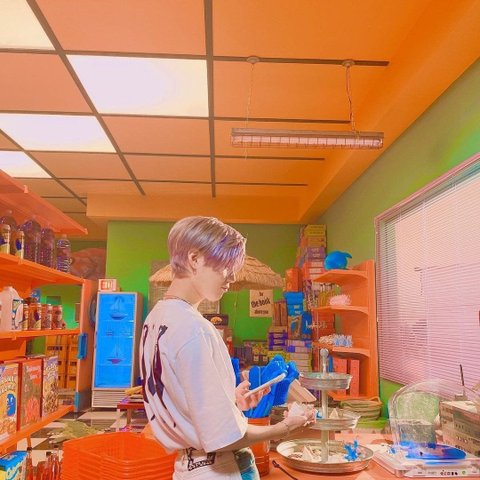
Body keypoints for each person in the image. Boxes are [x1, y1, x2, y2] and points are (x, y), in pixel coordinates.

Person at [140, 216, 313, 479]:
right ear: (195, 259)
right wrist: (287, 427)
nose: (232, 276)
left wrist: (230, 401)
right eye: (226, 266)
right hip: (218, 469)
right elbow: (223, 439)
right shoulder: (194, 327)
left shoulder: (155, 319)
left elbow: (184, 399)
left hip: (187, 468)